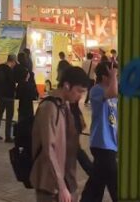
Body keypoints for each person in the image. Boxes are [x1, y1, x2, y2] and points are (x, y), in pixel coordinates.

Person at [31, 68, 91, 202]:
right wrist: (61, 186)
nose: (80, 96)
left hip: (66, 180)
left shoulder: (64, 106)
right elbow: (49, 149)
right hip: (50, 184)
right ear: (66, 85)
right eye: (79, 91)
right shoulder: (49, 107)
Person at [80, 62, 118, 202]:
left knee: (97, 181)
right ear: (104, 77)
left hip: (110, 145)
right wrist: (114, 74)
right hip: (101, 143)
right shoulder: (96, 90)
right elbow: (113, 92)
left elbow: (114, 122)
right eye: (113, 76)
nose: (116, 78)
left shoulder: (113, 94)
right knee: (115, 181)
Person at [0, 54, 17, 142]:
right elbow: (12, 84)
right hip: (9, 97)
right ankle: (8, 136)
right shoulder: (10, 71)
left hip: (1, 97)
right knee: (9, 117)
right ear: (12, 61)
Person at [14, 52, 39, 125]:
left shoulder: (17, 67)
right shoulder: (26, 67)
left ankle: (21, 125)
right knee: (28, 110)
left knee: (22, 109)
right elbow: (31, 81)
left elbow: (15, 79)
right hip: (28, 91)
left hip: (21, 91)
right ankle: (28, 126)